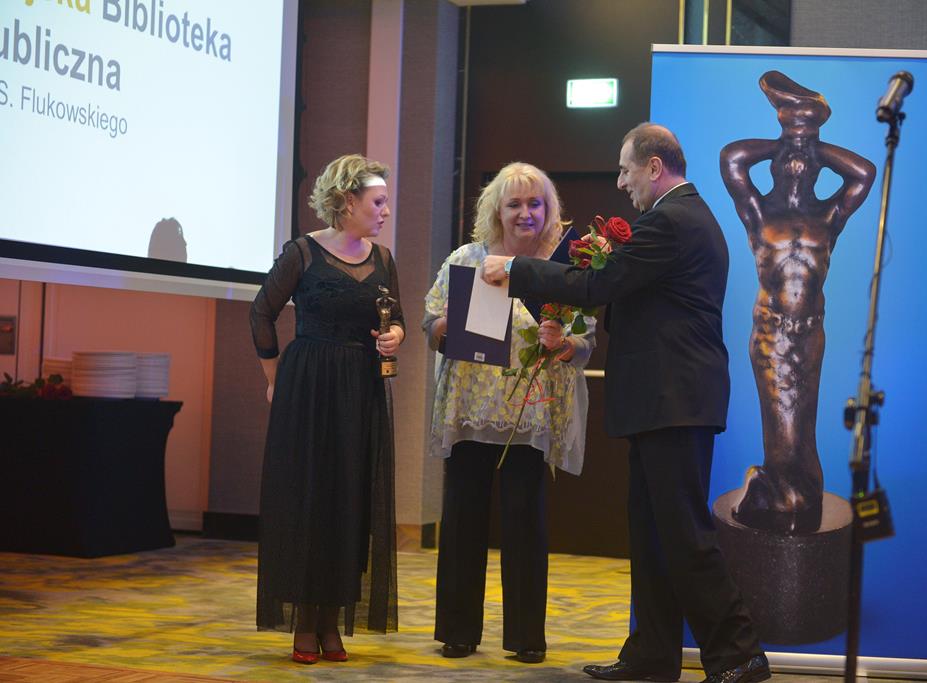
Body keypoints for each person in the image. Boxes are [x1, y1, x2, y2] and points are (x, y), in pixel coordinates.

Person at [482, 125, 770, 683]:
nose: (620, 182)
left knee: (683, 535)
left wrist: (515, 269)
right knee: (654, 534)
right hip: (665, 401)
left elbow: (600, 285)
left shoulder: (671, 219)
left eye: (624, 169)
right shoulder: (683, 217)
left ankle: (740, 655)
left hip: (674, 401)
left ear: (654, 167)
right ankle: (652, 656)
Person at [424, 161, 596, 665]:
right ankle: (458, 632)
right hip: (471, 412)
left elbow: (585, 343)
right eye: (514, 204)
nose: (525, 213)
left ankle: (526, 638)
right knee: (462, 522)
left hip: (529, 416)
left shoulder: (564, 267)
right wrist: (445, 325)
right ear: (495, 210)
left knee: (526, 526)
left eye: (535, 203)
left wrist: (563, 344)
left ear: (549, 209)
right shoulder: (468, 258)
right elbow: (430, 323)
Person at [250, 153, 404, 664]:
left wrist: (395, 337)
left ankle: (333, 621)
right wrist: (275, 379)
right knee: (309, 499)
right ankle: (304, 622)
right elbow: (261, 313)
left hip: (360, 389)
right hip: (308, 387)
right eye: (378, 202)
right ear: (347, 201)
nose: (385, 211)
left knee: (349, 500)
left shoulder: (384, 260)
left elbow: (397, 320)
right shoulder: (303, 252)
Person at [720, 70, 876, 534]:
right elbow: (731, 158)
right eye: (789, 158)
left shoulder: (827, 215)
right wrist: (785, 141)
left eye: (806, 160)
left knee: (803, 430)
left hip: (809, 334)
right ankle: (776, 485)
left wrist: (812, 145)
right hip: (771, 333)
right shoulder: (758, 212)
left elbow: (864, 172)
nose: (796, 165)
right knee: (782, 428)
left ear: (817, 167)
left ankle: (786, 487)